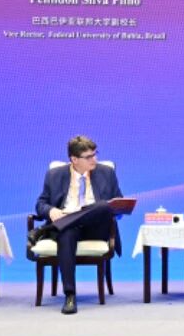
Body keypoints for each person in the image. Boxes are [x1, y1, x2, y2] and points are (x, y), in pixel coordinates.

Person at [33, 135, 124, 315]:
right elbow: (40, 204)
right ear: (74, 159)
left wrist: (122, 206)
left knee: (102, 206)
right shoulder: (55, 175)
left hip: (96, 228)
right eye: (89, 157)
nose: (94, 159)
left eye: (95, 154)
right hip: (68, 228)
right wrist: (51, 210)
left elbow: (117, 202)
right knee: (67, 232)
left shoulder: (106, 172)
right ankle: (70, 296)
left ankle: (49, 229)